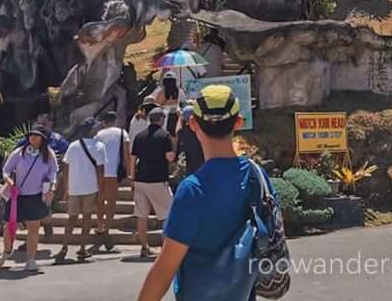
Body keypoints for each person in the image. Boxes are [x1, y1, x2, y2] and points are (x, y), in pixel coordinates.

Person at [136, 85, 278, 301]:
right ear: (238, 122)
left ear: (193, 124)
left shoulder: (192, 189)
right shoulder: (256, 176)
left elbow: (164, 270)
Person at [0, 125, 59, 272]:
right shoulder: (19, 152)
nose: (32, 138)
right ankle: (6, 251)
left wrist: (52, 188)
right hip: (17, 196)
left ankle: (30, 259)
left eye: (36, 136)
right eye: (31, 135)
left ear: (42, 139)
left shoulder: (48, 155)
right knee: (8, 227)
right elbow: (6, 170)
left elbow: (53, 174)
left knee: (33, 228)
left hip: (36, 196)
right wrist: (9, 181)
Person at [56, 118, 107, 263]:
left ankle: (64, 247)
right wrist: (101, 191)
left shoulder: (73, 146)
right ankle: (82, 248)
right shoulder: (99, 146)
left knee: (71, 219)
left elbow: (65, 167)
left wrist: (66, 188)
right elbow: (100, 171)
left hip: (74, 187)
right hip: (90, 188)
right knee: (86, 219)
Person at [131, 107, 176, 259]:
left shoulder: (139, 136)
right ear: (162, 119)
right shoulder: (164, 136)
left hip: (140, 179)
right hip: (157, 179)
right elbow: (170, 157)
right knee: (168, 213)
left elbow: (133, 159)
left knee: (141, 215)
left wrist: (132, 176)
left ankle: (144, 246)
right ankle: (166, 247)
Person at [95, 110, 131, 251]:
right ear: (115, 120)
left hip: (100, 170)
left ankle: (100, 224)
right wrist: (129, 172)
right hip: (114, 172)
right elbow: (126, 154)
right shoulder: (122, 133)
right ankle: (107, 228)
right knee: (111, 201)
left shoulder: (99, 134)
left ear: (104, 121)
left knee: (99, 199)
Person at [175, 105, 205, 178]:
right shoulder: (202, 130)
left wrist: (180, 117)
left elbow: (177, 131)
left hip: (189, 166)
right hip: (202, 163)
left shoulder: (182, 132)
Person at [150, 71, 182, 136]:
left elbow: (154, 104)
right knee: (175, 136)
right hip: (176, 116)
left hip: (163, 117)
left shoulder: (159, 91)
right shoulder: (180, 91)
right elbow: (183, 103)